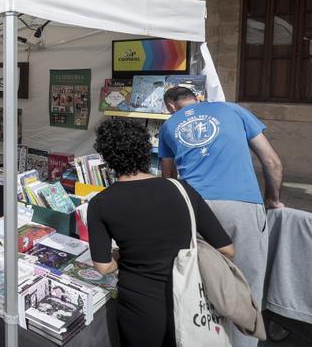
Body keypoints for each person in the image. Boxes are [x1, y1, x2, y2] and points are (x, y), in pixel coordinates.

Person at [87, 118, 234, 347]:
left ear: (107, 159)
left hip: (139, 308)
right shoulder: (181, 188)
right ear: (146, 151)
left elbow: (104, 267)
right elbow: (227, 249)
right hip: (192, 301)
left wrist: (121, 255)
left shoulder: (100, 203)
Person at [159, 87, 283, 347]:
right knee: (248, 281)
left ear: (170, 105)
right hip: (242, 204)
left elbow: (168, 179)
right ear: (196, 97)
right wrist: (271, 198)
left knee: (200, 280)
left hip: (195, 206)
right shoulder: (233, 109)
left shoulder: (169, 125)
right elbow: (271, 161)